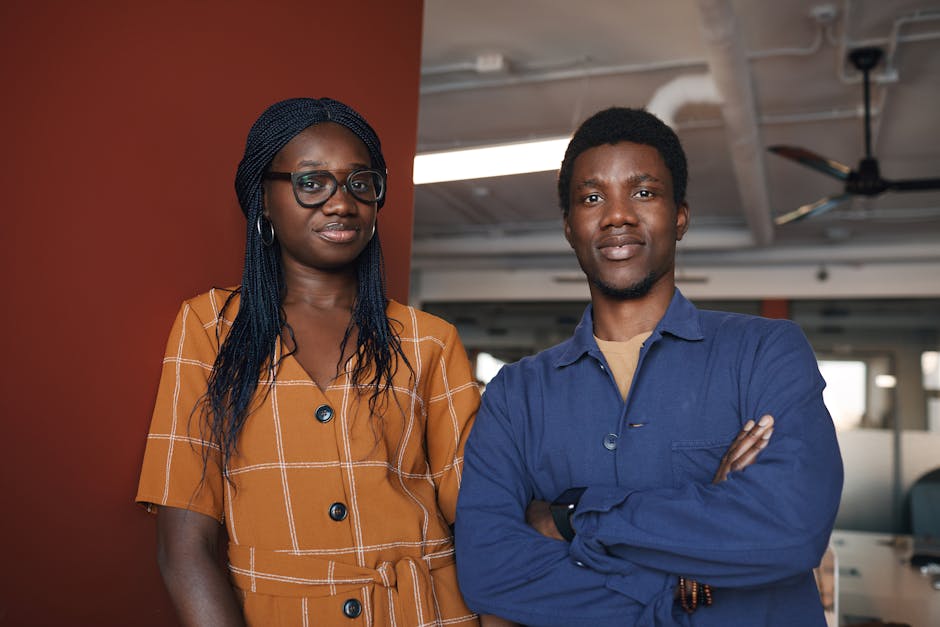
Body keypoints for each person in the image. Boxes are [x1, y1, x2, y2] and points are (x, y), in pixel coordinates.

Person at [455, 107, 843, 626]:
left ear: (679, 216)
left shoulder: (765, 353)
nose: (617, 215)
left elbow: (791, 530)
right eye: (592, 197)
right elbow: (491, 571)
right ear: (570, 227)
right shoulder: (515, 395)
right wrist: (683, 578)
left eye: (643, 192)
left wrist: (574, 518)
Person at [136, 97, 482, 626]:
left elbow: (481, 515)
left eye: (359, 182)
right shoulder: (208, 329)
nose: (341, 202)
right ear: (264, 200)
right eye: (311, 182)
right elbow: (185, 548)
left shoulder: (429, 340)